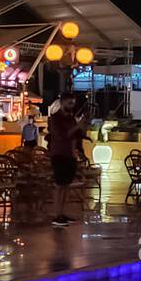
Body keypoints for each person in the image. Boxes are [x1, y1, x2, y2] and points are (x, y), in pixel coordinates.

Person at [47, 93, 84, 226]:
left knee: (66, 185)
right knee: (59, 185)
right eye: (69, 103)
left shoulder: (70, 118)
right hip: (59, 154)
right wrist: (77, 127)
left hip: (70, 154)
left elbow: (76, 135)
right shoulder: (55, 119)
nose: (72, 106)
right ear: (62, 103)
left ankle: (62, 213)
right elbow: (61, 135)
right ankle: (57, 214)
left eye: (73, 103)